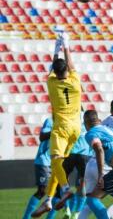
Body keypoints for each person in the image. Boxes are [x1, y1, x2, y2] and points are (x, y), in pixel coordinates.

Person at [32, 32, 82, 217]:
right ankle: (49, 200)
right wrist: (66, 45)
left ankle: (66, 188)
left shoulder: (51, 82)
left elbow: (54, 68)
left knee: (55, 160)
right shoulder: (76, 82)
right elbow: (70, 64)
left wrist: (56, 47)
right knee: (59, 165)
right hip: (76, 129)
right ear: (67, 71)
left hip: (61, 128)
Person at [22, 117, 59, 219]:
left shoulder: (71, 122)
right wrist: (57, 130)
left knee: (59, 192)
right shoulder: (51, 120)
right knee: (42, 191)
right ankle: (26, 217)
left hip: (58, 161)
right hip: (45, 160)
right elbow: (42, 137)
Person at [62, 115, 93, 219]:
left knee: (63, 181)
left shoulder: (69, 120)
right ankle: (77, 212)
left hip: (70, 154)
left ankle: (66, 208)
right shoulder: (87, 121)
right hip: (84, 155)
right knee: (82, 185)